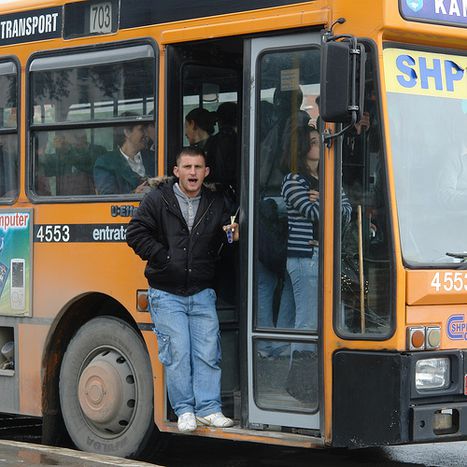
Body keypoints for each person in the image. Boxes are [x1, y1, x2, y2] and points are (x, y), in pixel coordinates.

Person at [126, 146, 238, 433]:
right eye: (187, 167)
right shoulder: (157, 199)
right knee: (177, 353)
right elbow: (135, 233)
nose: (192, 173)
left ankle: (209, 409)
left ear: (206, 172)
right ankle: (185, 410)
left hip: (202, 291)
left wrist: (230, 236)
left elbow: (222, 238)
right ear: (176, 172)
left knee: (208, 353)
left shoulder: (215, 202)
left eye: (198, 168)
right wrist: (164, 257)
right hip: (166, 293)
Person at [282, 125, 352, 333]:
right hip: (306, 256)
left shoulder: (329, 178)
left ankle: (285, 358)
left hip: (326, 254)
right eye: (313, 142)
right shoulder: (293, 179)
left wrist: (323, 198)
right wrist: (330, 202)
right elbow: (314, 213)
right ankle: (302, 364)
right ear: (301, 148)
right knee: (309, 321)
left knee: (320, 317)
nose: (320, 146)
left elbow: (346, 214)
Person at [94, 113, 154, 195]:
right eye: (141, 129)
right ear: (127, 132)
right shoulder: (105, 163)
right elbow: (107, 196)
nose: (146, 134)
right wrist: (133, 194)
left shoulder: (154, 157)